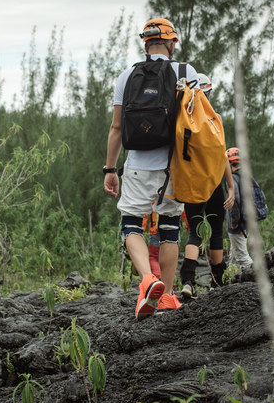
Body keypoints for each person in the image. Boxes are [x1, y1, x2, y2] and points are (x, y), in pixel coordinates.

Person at [105, 18, 198, 318]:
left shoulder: (126, 76)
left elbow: (117, 128)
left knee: (131, 223)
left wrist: (109, 169)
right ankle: (167, 296)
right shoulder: (186, 72)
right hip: (174, 166)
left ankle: (147, 279)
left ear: (145, 44)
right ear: (172, 44)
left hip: (137, 164)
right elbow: (198, 124)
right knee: (170, 226)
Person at [179, 74, 235, 300]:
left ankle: (189, 281)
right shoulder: (215, 119)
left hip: (193, 184)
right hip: (214, 184)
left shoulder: (183, 118)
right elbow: (222, 157)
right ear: (208, 93)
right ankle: (217, 283)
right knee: (216, 233)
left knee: (194, 232)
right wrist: (231, 187)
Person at [225, 147, 265, 269]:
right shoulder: (247, 177)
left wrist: (234, 222)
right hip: (247, 220)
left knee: (242, 256)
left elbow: (234, 201)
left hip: (238, 224)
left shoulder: (231, 179)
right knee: (234, 255)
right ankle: (230, 280)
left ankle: (256, 278)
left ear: (229, 163)